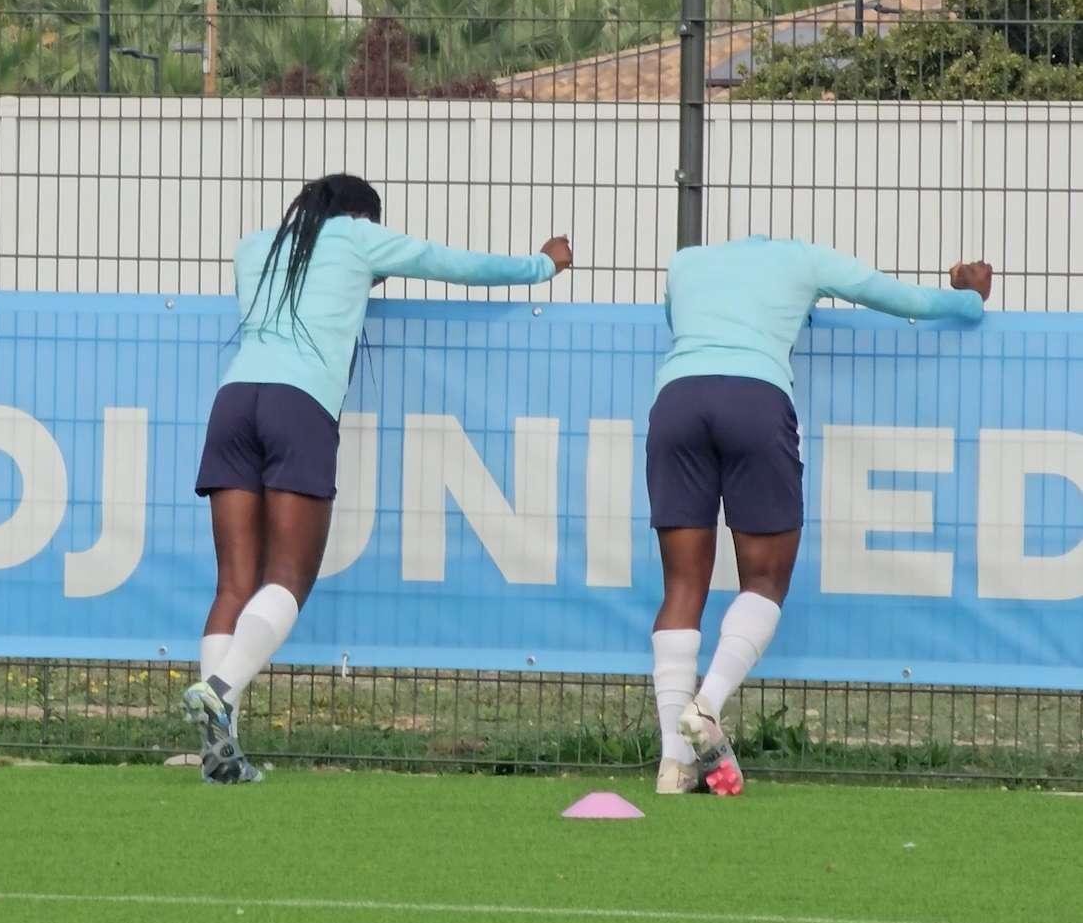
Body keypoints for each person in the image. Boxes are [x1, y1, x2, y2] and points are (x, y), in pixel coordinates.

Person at [181, 174, 571, 783]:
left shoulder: (254, 245)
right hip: (298, 405)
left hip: (232, 402)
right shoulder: (359, 238)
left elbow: (309, 288)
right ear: (362, 216)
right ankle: (220, 691)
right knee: (287, 577)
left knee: (233, 581)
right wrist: (540, 266)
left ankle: (218, 745)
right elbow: (449, 262)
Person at [647, 236, 993, 796]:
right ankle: (706, 705)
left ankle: (674, 763)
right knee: (764, 578)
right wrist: (969, 298)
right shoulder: (804, 257)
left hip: (677, 401)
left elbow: (678, 320)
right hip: (754, 400)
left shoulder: (685, 262)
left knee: (683, 584)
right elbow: (899, 298)